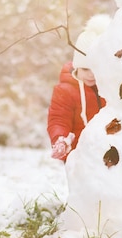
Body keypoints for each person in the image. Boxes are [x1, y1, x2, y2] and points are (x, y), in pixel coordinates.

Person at [47, 14, 111, 161]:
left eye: (95, 69)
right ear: (77, 67)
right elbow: (58, 118)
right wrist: (60, 139)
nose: (91, 75)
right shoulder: (65, 91)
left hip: (107, 154)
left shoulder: (111, 88)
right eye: (85, 69)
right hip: (78, 156)